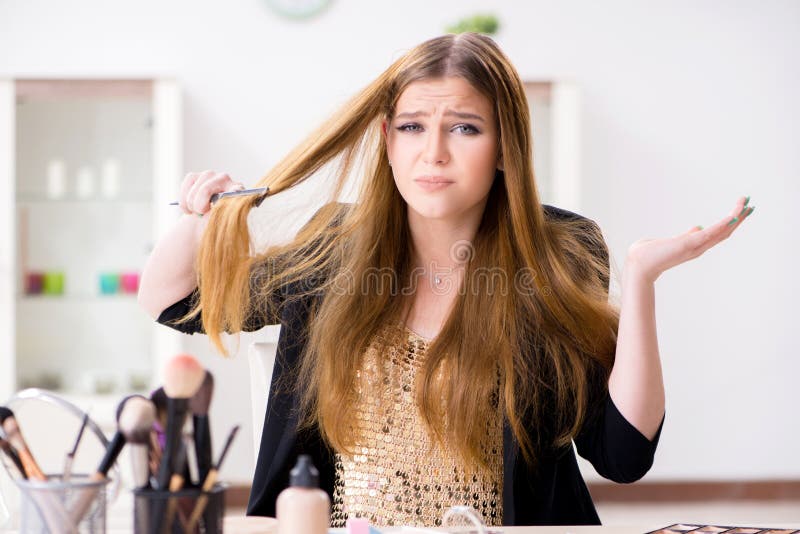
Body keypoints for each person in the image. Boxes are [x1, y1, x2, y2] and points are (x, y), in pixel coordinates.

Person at [138, 32, 754, 527]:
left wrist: (642, 278)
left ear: (505, 146)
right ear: (385, 141)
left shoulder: (559, 252)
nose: (432, 152)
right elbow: (173, 303)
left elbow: (623, 455)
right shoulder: (337, 249)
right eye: (411, 127)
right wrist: (199, 220)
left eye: (464, 127)